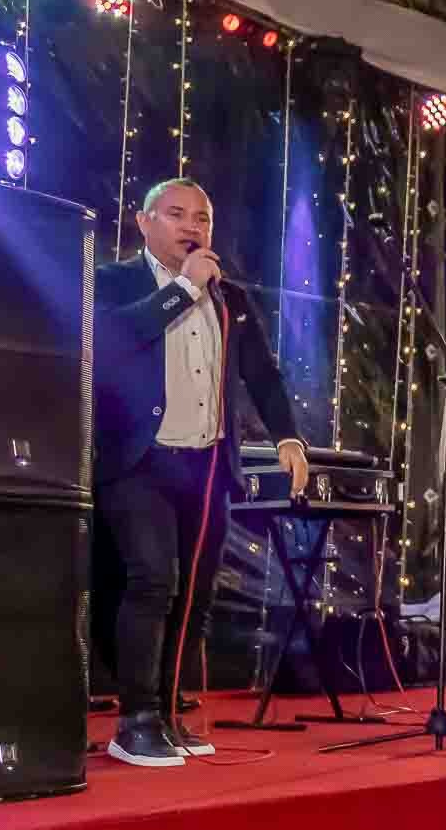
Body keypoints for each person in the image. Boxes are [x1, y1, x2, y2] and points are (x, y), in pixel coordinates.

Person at [90, 178, 309, 767]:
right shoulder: (113, 281)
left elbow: (262, 373)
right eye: (178, 214)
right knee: (151, 581)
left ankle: (166, 713)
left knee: (194, 596)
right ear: (144, 222)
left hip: (208, 464)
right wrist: (182, 291)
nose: (193, 227)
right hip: (139, 461)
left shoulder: (230, 298)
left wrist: (288, 436)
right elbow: (108, 345)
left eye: (203, 218)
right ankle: (134, 720)